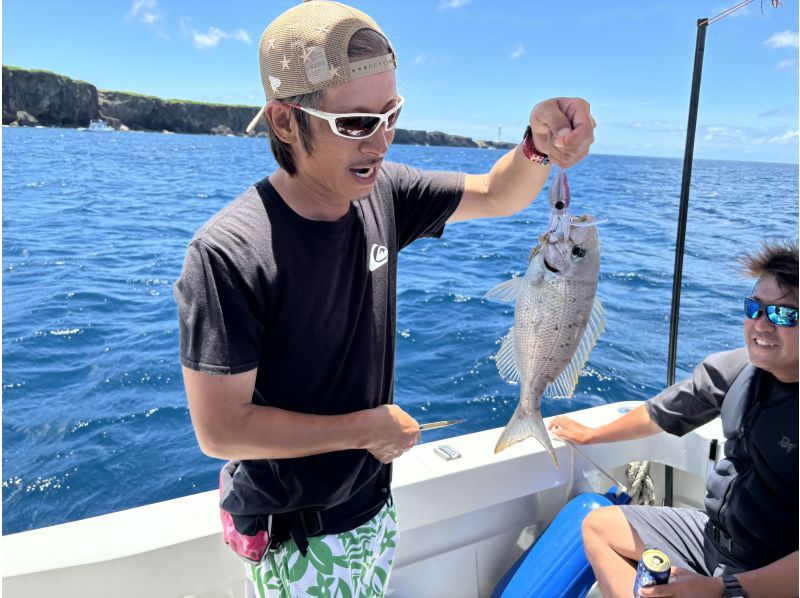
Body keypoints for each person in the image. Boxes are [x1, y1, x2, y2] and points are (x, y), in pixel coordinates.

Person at [173, 1, 595, 596]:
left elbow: (497, 194)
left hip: (373, 505)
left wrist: (537, 145)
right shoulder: (228, 253)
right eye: (355, 123)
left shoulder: (383, 193)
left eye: (391, 114)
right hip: (302, 535)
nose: (381, 141)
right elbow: (220, 430)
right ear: (285, 122)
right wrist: (365, 430)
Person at [549, 240, 798, 598]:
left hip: (770, 572)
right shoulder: (736, 370)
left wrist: (720, 588)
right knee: (599, 528)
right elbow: (659, 414)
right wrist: (592, 435)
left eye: (784, 315)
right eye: (754, 308)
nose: (761, 325)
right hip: (712, 539)